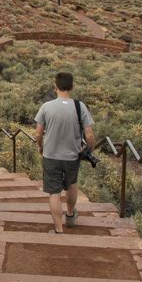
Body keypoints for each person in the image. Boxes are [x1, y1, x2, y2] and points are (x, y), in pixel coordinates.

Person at [33, 72, 95, 234]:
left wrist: (40, 147)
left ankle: (59, 230)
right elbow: (89, 134)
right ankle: (69, 215)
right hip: (72, 156)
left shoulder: (46, 107)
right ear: (71, 87)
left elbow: (38, 133)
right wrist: (90, 150)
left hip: (51, 155)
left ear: (55, 87)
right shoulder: (79, 106)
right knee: (71, 185)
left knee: (54, 192)